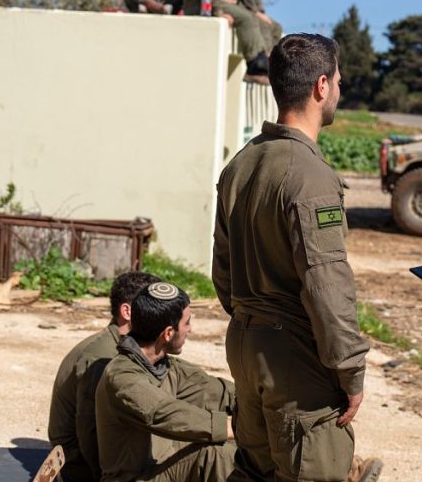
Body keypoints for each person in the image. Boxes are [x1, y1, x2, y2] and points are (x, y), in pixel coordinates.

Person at [212, 34, 382, 482]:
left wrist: (254, 321)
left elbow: (223, 270)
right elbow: (327, 285)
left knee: (253, 471)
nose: (339, 92)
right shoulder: (310, 175)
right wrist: (350, 370)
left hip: (247, 344)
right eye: (339, 82)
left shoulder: (242, 164)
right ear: (321, 87)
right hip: (293, 359)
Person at [95, 282, 237, 482]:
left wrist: (264, 406)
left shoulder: (166, 367)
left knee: (242, 448)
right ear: (168, 333)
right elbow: (164, 413)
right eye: (187, 323)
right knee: (220, 455)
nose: (190, 329)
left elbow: (221, 393)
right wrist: (236, 427)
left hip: (161, 471)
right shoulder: (121, 377)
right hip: (135, 478)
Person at [47, 270, 162, 481]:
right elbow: (89, 434)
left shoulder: (121, 348)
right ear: (127, 312)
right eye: (153, 308)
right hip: (82, 467)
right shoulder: (102, 357)